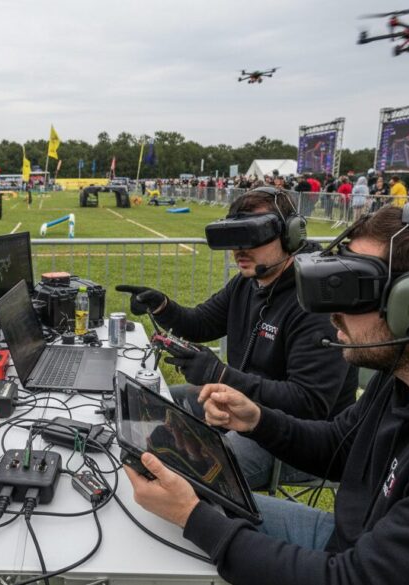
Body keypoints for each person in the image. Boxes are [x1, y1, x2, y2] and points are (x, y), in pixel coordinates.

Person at [126, 199, 409, 584]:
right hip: (351, 540)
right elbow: (339, 445)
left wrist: (193, 517)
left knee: (186, 512)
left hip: (351, 566)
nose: (332, 311)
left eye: (355, 288)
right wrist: (257, 419)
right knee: (166, 506)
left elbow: (352, 579)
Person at [116, 188, 357, 489]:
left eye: (252, 236)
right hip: (238, 407)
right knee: (146, 403)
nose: (239, 250)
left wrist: (222, 375)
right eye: (233, 238)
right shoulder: (249, 281)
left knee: (186, 476)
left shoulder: (316, 301)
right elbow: (201, 323)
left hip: (292, 438)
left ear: (290, 235)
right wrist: (162, 305)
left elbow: (308, 403)